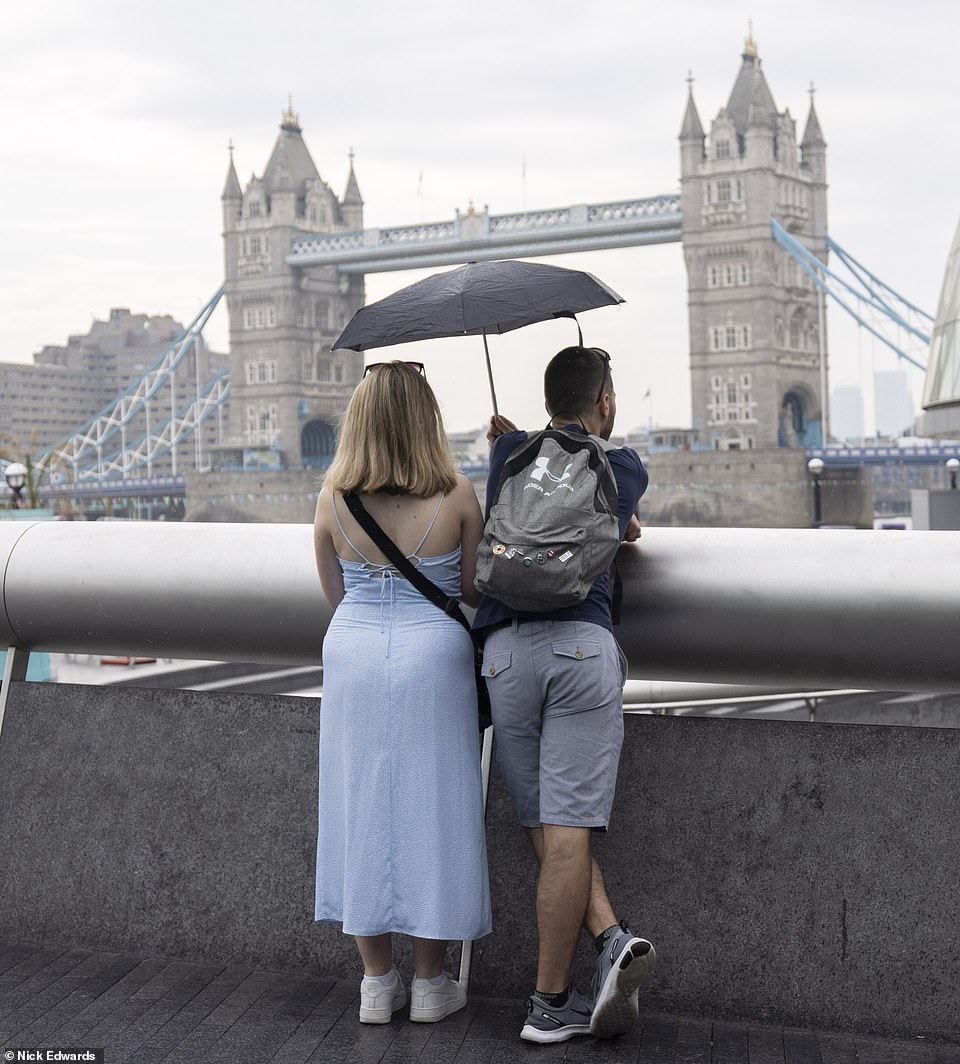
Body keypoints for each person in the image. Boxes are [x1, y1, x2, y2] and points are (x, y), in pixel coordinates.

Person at [473, 345, 655, 1044]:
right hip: (580, 648)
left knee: (543, 826)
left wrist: (508, 439)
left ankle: (610, 941)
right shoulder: (624, 465)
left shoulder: (508, 454)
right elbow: (620, 522)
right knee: (568, 828)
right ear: (603, 403)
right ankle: (548, 1003)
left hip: (507, 653)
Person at [313, 360, 491, 1026]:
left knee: (360, 808)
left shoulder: (330, 498)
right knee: (434, 812)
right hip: (433, 658)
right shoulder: (459, 495)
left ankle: (375, 984)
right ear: (428, 420)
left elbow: (336, 595)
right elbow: (473, 592)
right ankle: (432, 984)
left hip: (354, 652)